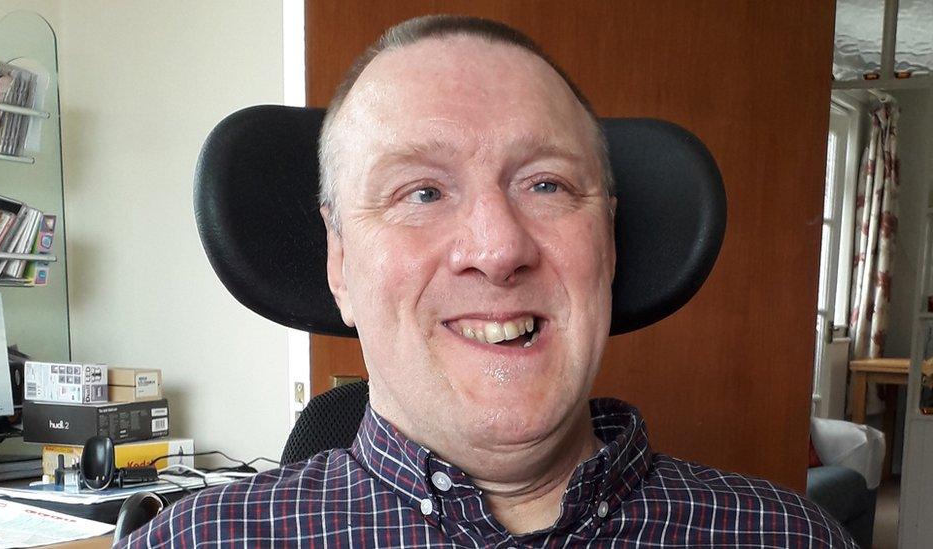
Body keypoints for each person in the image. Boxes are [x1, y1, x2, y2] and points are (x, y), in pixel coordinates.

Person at [122, 15, 856, 548]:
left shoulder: (789, 537)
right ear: (339, 263)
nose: (498, 248)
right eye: (421, 192)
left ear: (606, 242)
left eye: (546, 185)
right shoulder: (193, 542)